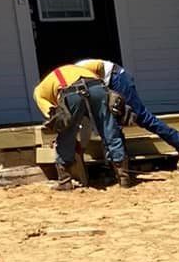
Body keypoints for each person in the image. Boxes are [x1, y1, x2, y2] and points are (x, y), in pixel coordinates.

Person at [32, 60, 135, 190]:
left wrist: (64, 132)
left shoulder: (39, 93)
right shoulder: (79, 68)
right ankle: (123, 177)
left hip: (70, 92)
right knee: (109, 128)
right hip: (98, 88)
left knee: (66, 133)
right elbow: (86, 121)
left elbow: (55, 118)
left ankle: (65, 181)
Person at [106, 63, 179, 170]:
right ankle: (122, 165)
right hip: (112, 79)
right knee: (112, 122)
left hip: (116, 78)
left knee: (141, 116)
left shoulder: (81, 73)